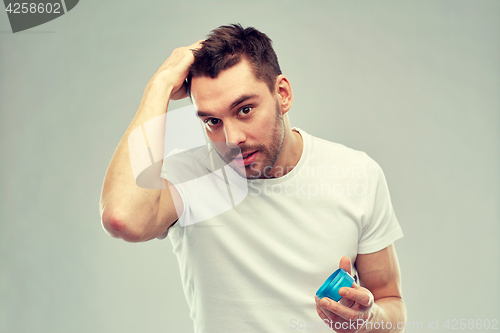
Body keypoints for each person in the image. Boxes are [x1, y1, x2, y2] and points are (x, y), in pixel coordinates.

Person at [100, 24, 406, 332]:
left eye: (244, 109)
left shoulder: (357, 173)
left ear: (282, 94)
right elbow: (123, 217)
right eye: (212, 121)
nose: (231, 138)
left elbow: (390, 301)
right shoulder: (191, 176)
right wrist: (160, 85)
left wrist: (368, 321)